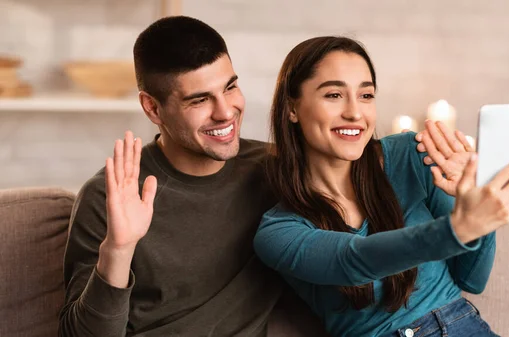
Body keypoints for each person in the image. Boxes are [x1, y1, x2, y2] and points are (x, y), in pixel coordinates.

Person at [59, 15, 478, 337]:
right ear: (152, 108)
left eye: (230, 87)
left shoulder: (275, 169)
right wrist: (118, 249)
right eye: (199, 100)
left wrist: (445, 174)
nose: (225, 112)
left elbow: (354, 166)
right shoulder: (108, 196)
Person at [253, 36, 509, 337]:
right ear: (292, 108)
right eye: (333, 95)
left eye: (366, 95)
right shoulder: (278, 232)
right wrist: (458, 228)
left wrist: (476, 203)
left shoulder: (411, 154)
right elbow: (355, 259)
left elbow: (472, 280)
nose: (355, 113)